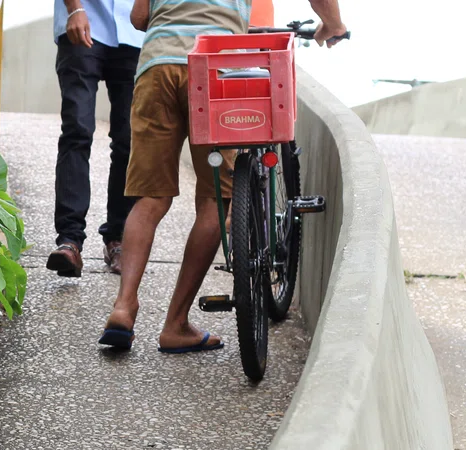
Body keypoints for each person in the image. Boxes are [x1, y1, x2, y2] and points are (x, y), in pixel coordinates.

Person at [98, 0, 346, 352]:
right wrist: (332, 23)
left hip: (157, 67)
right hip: (215, 69)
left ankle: (124, 307)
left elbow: (139, 18)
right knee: (216, 200)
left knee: (150, 199)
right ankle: (175, 324)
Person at [46, 0, 143, 278]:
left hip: (136, 30)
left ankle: (119, 238)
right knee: (77, 131)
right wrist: (74, 9)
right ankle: (70, 240)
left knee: (130, 139)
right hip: (82, 20)